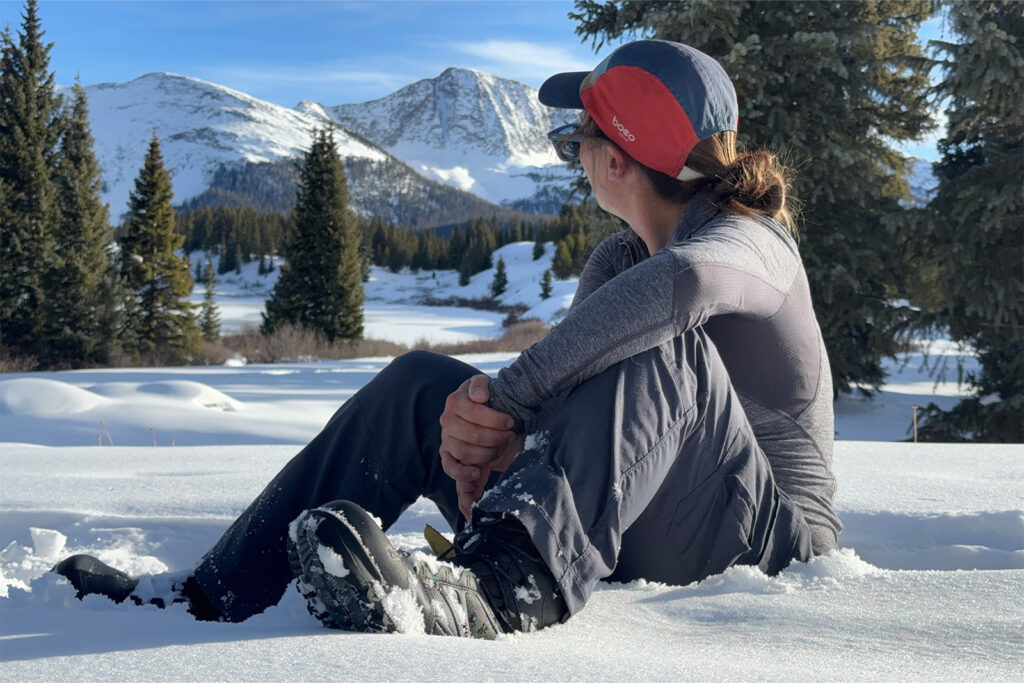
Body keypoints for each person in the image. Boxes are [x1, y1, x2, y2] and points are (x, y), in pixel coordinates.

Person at [54, 40, 839, 638]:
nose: (575, 150)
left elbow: (687, 292)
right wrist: (490, 432)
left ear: (617, 154)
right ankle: (216, 594)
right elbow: (586, 416)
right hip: (629, 520)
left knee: (666, 342)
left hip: (762, 550)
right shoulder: (619, 259)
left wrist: (510, 396)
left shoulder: (751, 240)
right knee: (420, 385)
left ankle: (496, 591)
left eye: (582, 133)